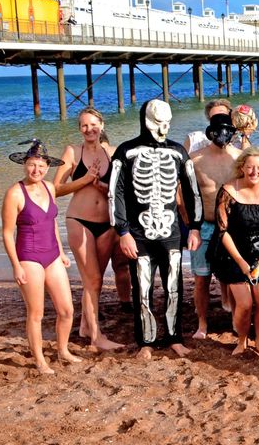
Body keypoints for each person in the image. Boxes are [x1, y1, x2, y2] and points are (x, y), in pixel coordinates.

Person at [109, 99, 203, 359]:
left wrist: (194, 227)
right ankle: (146, 341)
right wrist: (123, 231)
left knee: (175, 286)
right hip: (138, 234)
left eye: (167, 123)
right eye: (158, 122)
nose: (163, 128)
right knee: (142, 287)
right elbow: (114, 193)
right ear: (146, 121)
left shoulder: (178, 152)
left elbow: (192, 191)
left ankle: (174, 337)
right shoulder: (126, 152)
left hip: (171, 232)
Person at [2, 140, 83, 374]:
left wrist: (61, 250)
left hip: (52, 255)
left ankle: (63, 350)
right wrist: (16, 266)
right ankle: (39, 360)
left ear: (47, 167)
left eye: (40, 165)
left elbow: (52, 222)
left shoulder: (49, 187)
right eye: (31, 165)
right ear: (24, 165)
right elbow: (7, 233)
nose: (36, 170)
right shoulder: (15, 193)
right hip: (28, 256)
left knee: (67, 310)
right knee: (36, 313)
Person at [52, 108, 124, 351]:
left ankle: (84, 326)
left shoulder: (113, 153)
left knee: (95, 280)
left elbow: (121, 190)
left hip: (107, 225)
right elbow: (55, 189)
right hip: (79, 220)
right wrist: (84, 180)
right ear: (79, 129)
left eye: (93, 124)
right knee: (92, 279)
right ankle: (96, 337)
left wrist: (103, 186)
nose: (89, 129)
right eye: (84, 125)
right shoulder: (73, 152)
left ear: (101, 125)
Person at [213, 148, 259, 358]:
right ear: (241, 167)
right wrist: (241, 262)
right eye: (250, 166)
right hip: (235, 253)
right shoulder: (227, 190)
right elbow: (222, 231)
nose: (255, 171)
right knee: (244, 305)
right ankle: (242, 340)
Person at [189, 113, 242, 338]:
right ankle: (202, 323)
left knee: (234, 277)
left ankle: (236, 321)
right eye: (218, 131)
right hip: (205, 225)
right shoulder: (195, 159)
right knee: (201, 278)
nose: (223, 135)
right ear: (210, 133)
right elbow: (182, 195)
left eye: (228, 131)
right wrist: (190, 226)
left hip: (233, 226)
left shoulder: (240, 157)